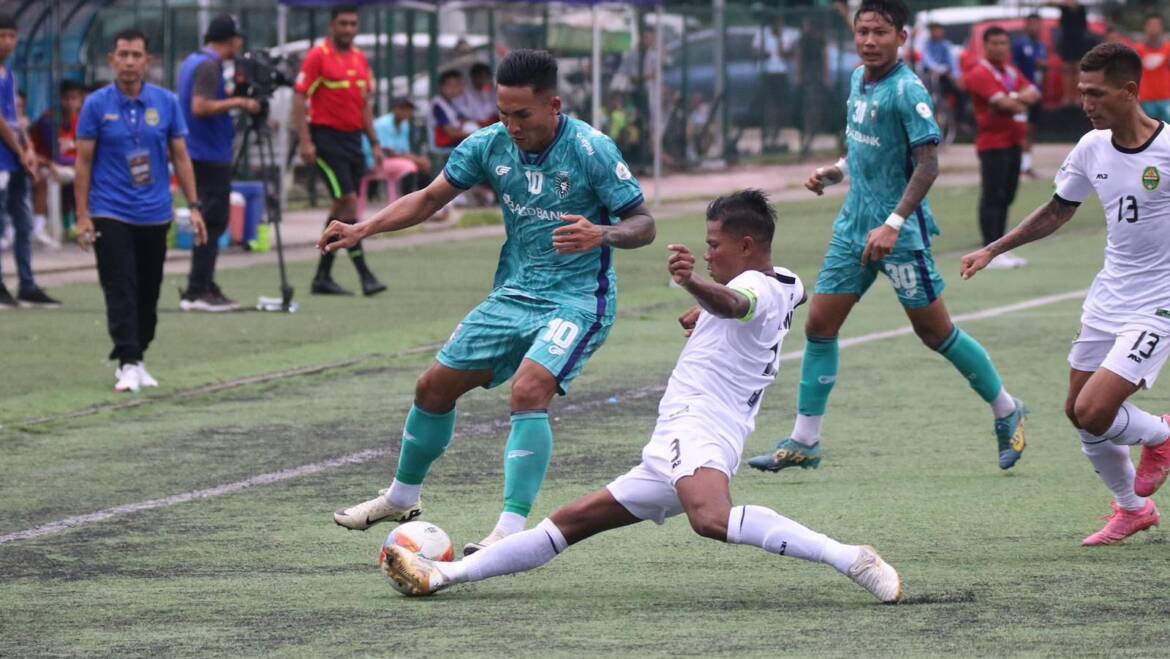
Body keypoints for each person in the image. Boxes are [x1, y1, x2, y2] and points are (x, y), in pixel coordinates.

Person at [379, 190, 903, 603]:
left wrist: (695, 288)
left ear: (747, 246)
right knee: (570, 522)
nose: (707, 251)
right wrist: (709, 311)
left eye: (715, 244)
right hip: (693, 435)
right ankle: (444, 574)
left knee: (712, 520)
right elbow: (775, 297)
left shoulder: (757, 289)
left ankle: (849, 557)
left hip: (697, 425)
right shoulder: (785, 281)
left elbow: (736, 302)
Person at [324, 49, 656, 555]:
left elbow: (643, 225)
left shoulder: (592, 149)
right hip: (514, 293)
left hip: (578, 300)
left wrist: (602, 234)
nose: (512, 126)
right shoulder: (488, 145)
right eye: (502, 113)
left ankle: (510, 529)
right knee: (433, 387)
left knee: (527, 391)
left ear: (553, 105)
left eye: (522, 115)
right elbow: (430, 198)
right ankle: (401, 496)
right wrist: (364, 227)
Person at [747, 0, 1028, 474]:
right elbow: (863, 146)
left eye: (880, 32)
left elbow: (928, 164)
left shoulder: (908, 91)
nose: (870, 41)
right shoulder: (858, 79)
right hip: (853, 230)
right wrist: (834, 172)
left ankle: (1006, 408)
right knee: (820, 326)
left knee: (935, 333)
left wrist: (893, 223)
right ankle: (805, 440)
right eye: (863, 32)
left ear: (902, 36)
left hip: (899, 237)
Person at [962, 43, 1170, 546]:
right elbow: (1058, 209)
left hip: (1159, 300)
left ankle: (1162, 437)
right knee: (1078, 412)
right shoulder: (1090, 147)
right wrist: (994, 247)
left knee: (1097, 411)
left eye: (1095, 94)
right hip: (1108, 296)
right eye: (1081, 92)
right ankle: (1132, 508)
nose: (1085, 103)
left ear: (1128, 91)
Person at [74, 29, 208, 392]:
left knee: (149, 291)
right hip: (110, 210)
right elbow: (83, 162)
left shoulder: (165, 102)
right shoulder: (96, 105)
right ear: (111, 60)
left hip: (155, 212)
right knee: (120, 285)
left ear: (148, 61)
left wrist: (193, 206)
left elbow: (180, 156)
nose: (129, 61)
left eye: (136, 55)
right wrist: (83, 215)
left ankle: (138, 356)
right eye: (123, 54)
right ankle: (128, 360)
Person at [292, 4, 386, 297]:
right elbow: (299, 100)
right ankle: (365, 274)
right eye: (343, 23)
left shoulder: (360, 59)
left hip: (353, 141)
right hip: (326, 140)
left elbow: (364, 105)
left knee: (343, 208)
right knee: (346, 202)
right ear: (332, 25)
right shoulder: (318, 57)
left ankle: (322, 276)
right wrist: (305, 141)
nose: (348, 29)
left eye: (352, 24)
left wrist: (374, 142)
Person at [177, 14, 262, 312]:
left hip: (199, 151)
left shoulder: (193, 61)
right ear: (230, 40)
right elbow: (199, 106)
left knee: (210, 220)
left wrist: (228, 96)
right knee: (212, 222)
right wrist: (240, 102)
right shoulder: (208, 65)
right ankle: (198, 289)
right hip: (208, 154)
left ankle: (201, 285)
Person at [965, 26, 1042, 270]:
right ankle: (988, 250)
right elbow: (1004, 103)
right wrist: (1015, 99)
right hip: (993, 143)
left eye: (1003, 43)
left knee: (1007, 195)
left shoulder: (1010, 70)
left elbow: (1034, 93)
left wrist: (1013, 98)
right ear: (985, 46)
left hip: (1014, 141)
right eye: (994, 43)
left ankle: (1000, 249)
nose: (999, 48)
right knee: (993, 196)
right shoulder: (979, 73)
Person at [0, 12, 58, 309]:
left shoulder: (9, 75)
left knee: (22, 223)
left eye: (11, 36)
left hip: (15, 159)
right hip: (3, 159)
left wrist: (29, 148)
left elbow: (16, 118)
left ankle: (27, 283)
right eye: (2, 35)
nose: (8, 42)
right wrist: (20, 148)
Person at [30, 79, 86, 249]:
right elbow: (54, 156)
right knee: (51, 176)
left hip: (71, 168)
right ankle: (42, 229)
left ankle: (80, 225)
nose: (70, 103)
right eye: (66, 98)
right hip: (44, 165)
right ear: (60, 99)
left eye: (74, 98)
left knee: (88, 176)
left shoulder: (83, 120)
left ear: (81, 99)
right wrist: (78, 163)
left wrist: (79, 164)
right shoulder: (49, 120)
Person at [1013, 13, 1050, 179]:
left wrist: (1044, 67)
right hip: (1023, 94)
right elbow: (1014, 69)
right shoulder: (1020, 44)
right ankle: (1017, 165)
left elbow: (1043, 66)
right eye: (1032, 23)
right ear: (1026, 25)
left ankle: (1026, 165)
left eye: (1038, 24)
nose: (1035, 27)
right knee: (1023, 128)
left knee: (1032, 129)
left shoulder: (1041, 45)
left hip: (1037, 93)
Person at [373, 97, 430, 195]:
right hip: (375, 161)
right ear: (395, 109)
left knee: (424, 166)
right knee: (410, 167)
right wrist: (416, 160)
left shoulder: (404, 124)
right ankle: (407, 200)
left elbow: (404, 151)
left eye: (409, 109)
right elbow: (389, 153)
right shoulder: (383, 124)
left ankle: (424, 200)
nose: (407, 112)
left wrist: (418, 160)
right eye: (403, 108)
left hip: (392, 160)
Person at [920, 21, 966, 131]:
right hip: (929, 76)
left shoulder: (946, 45)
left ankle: (959, 120)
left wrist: (957, 76)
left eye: (938, 30)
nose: (936, 33)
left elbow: (952, 61)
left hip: (944, 76)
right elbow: (926, 59)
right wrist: (936, 68)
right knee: (926, 96)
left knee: (961, 92)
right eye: (934, 30)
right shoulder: (925, 44)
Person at [1051, 0, 1090, 106]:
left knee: (1078, 69)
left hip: (1079, 42)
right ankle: (1067, 96)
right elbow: (1051, 2)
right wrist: (1066, 3)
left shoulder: (1082, 8)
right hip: (1067, 43)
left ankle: (1077, 96)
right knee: (1067, 69)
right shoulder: (1064, 8)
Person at [1136, 14, 1170, 124]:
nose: (1154, 28)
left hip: (1166, 97)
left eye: (1157, 25)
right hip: (1146, 99)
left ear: (1162, 28)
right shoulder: (1138, 49)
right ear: (1145, 27)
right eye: (1151, 25)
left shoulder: (1168, 48)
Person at [431, 69, 475, 151]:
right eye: (450, 86)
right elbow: (451, 134)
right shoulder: (438, 105)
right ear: (442, 87)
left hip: (456, 140)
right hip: (446, 142)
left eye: (456, 85)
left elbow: (463, 120)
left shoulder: (453, 102)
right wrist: (475, 134)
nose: (454, 89)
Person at [454, 62, 498, 127]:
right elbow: (461, 115)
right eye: (480, 77)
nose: (483, 80)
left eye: (485, 77)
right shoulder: (465, 94)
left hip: (492, 123)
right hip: (475, 125)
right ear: (473, 78)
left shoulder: (492, 91)